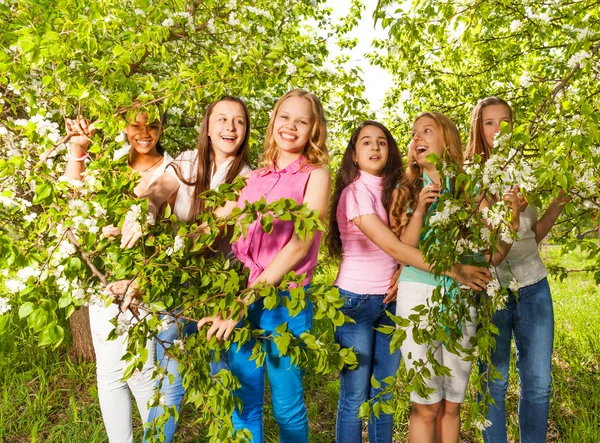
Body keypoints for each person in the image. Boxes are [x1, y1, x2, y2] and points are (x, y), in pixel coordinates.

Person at [327, 120, 496, 443]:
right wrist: (445, 267)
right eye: (366, 142)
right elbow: (397, 247)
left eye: (382, 142)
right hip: (362, 299)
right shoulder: (370, 192)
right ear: (352, 155)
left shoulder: (393, 186)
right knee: (355, 395)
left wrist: (401, 269)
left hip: (391, 300)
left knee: (385, 393)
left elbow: (490, 244)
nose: (375, 148)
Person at [195, 88, 331, 443]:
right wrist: (160, 251)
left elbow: (300, 244)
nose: (291, 126)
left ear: (314, 129)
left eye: (302, 121)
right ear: (273, 123)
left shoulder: (316, 175)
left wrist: (242, 304)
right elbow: (212, 226)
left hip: (285, 302)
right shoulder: (254, 176)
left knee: (286, 407)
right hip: (241, 291)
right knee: (244, 400)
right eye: (284, 117)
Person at [118, 96, 252, 443]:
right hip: (174, 288)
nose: (230, 128)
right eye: (222, 119)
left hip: (219, 290)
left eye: (238, 121)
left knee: (219, 380)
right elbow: (158, 191)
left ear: (246, 130)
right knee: (169, 385)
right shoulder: (188, 161)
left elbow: (210, 234)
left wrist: (149, 273)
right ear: (207, 126)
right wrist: (145, 212)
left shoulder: (250, 178)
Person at [389, 112, 520, 443]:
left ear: (446, 141)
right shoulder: (407, 189)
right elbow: (404, 250)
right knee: (425, 403)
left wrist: (511, 225)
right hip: (418, 297)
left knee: (452, 403)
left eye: (426, 131)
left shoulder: (470, 187)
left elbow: (495, 247)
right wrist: (419, 209)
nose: (416, 137)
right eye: (413, 132)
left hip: (461, 301)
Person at [64, 109, 172, 443]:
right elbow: (71, 201)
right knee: (109, 373)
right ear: (124, 127)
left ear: (162, 127)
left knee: (142, 371)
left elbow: (172, 228)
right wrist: (77, 150)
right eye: (136, 125)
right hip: (106, 279)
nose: (144, 132)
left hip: (147, 280)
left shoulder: (172, 168)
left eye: (152, 125)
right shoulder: (110, 165)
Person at [468, 97, 569, 443]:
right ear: (478, 130)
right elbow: (493, 245)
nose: (499, 130)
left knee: (539, 383)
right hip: (493, 287)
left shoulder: (524, 172)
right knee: (493, 382)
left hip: (533, 284)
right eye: (490, 123)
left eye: (505, 122)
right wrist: (506, 214)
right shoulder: (471, 177)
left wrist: (559, 201)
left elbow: (532, 235)